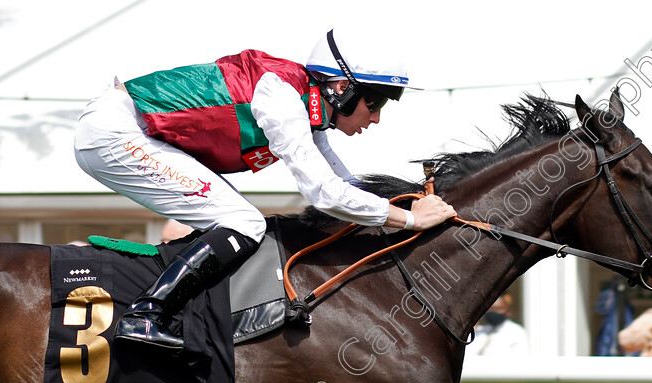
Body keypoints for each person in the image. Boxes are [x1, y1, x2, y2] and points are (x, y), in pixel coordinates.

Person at [73, 29, 456, 353]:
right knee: (243, 221)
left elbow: (344, 185)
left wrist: (404, 203)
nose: (375, 117)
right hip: (117, 133)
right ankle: (145, 315)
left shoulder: (309, 106)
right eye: (374, 101)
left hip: (132, 132)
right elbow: (325, 195)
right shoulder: (282, 96)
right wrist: (409, 220)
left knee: (236, 219)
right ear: (341, 88)